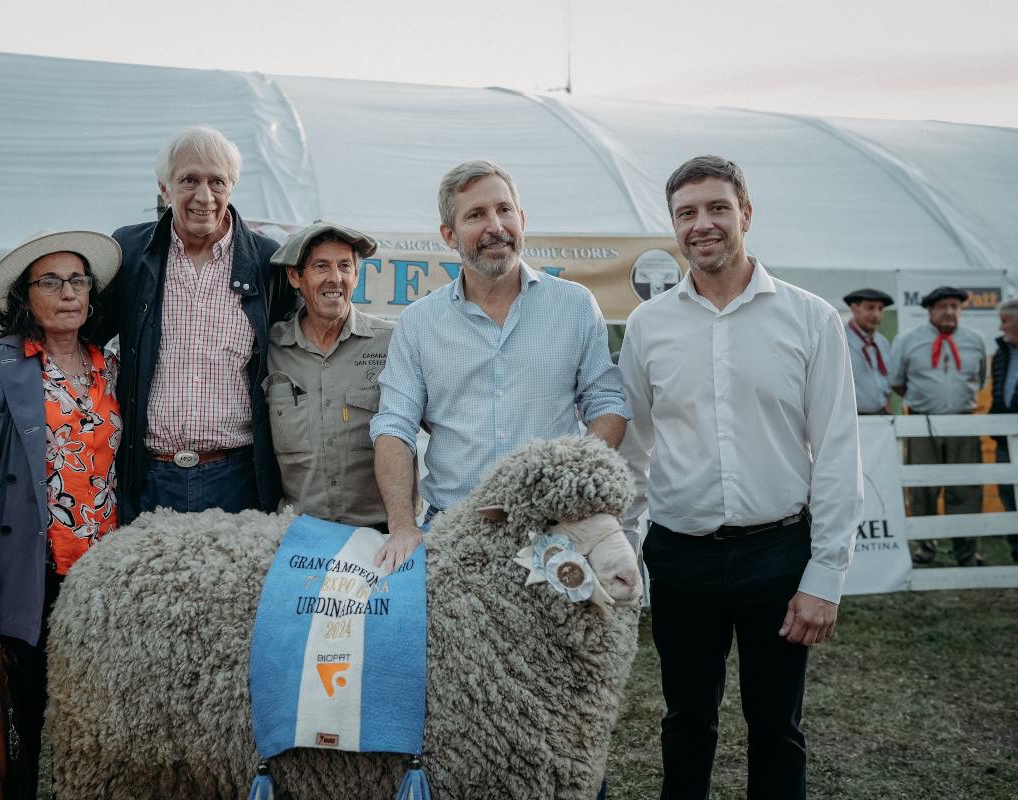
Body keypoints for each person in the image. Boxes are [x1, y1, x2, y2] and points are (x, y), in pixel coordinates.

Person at [618, 155, 862, 800]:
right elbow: (633, 451)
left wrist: (826, 576)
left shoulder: (811, 319)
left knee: (777, 727)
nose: (702, 224)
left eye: (717, 208)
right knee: (685, 720)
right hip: (680, 557)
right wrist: (624, 551)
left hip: (777, 553)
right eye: (686, 213)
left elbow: (838, 451)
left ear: (746, 214)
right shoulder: (648, 326)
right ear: (674, 226)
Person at [370, 159, 632, 574]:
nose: (496, 226)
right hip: (455, 532)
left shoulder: (575, 305)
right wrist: (402, 526)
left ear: (521, 219)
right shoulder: (418, 323)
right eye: (476, 215)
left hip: (555, 533)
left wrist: (574, 488)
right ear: (449, 235)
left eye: (504, 210)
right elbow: (394, 427)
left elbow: (606, 403)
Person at [0, 228, 123, 799]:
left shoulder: (110, 367)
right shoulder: (0, 366)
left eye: (78, 281)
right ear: (25, 297)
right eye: (51, 282)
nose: (68, 293)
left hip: (99, 578)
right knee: (16, 732)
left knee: (88, 727)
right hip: (26, 577)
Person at [96, 126, 298, 525]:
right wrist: (6, 358)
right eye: (189, 180)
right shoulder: (130, 251)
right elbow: (77, 338)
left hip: (238, 477)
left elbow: (299, 349)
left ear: (232, 186)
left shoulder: (267, 261)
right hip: (147, 476)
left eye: (217, 182)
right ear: (164, 188)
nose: (204, 197)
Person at [264, 221, 420, 529]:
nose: (335, 278)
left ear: (356, 276)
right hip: (300, 535)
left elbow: (445, 423)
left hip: (382, 536)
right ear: (295, 276)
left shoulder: (394, 342)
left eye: (345, 266)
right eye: (321, 266)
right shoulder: (270, 349)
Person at [892, 286, 989, 566]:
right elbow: (897, 381)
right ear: (929, 310)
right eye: (943, 306)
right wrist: (926, 401)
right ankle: (925, 548)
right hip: (921, 422)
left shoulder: (975, 340)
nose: (949, 311)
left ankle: (966, 552)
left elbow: (981, 380)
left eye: (955, 306)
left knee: (966, 488)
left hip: (964, 422)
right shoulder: (907, 340)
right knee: (922, 488)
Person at [989, 298, 1018, 564]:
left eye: (1004, 321)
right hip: (1004, 441)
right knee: (1008, 496)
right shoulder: (1001, 353)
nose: (1000, 327)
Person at [843, 288, 895, 414]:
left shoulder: (882, 342)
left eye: (880, 309)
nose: (876, 315)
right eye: (870, 308)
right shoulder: (839, 338)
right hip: (852, 417)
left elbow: (885, 382)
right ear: (854, 308)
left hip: (881, 415)